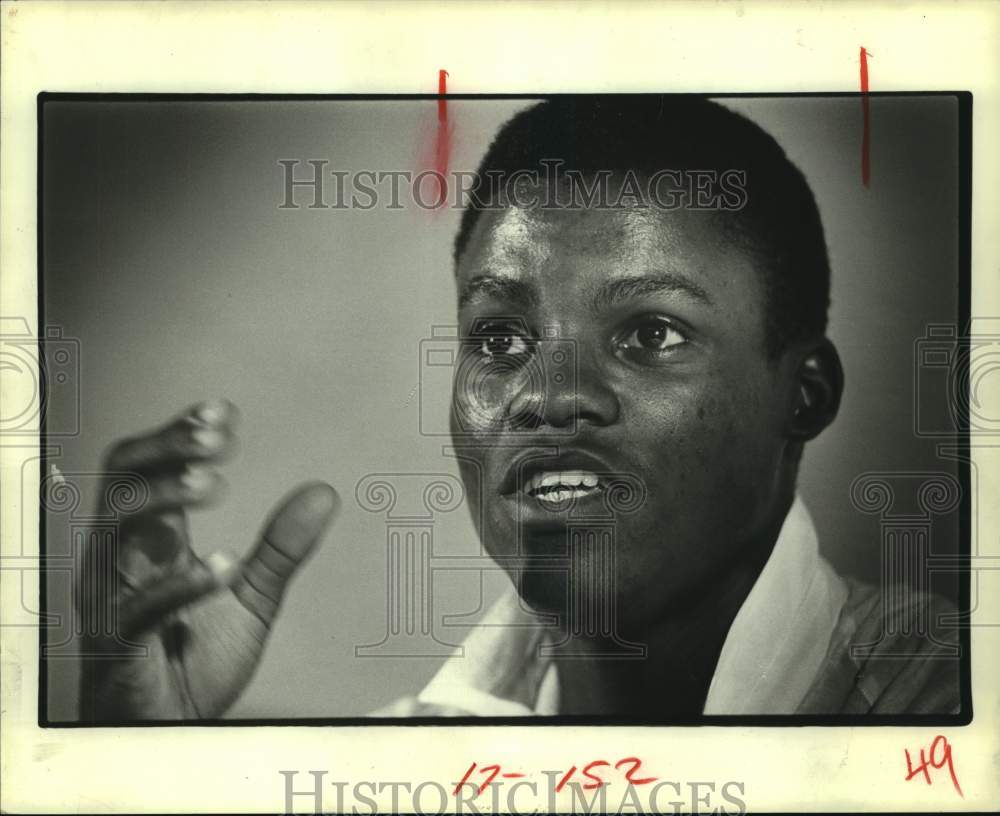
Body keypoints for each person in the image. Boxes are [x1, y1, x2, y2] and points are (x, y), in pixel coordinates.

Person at [76, 97, 959, 721]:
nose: (545, 396)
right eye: (499, 338)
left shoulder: (953, 709)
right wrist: (142, 764)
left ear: (805, 396)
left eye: (650, 333)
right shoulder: (402, 770)